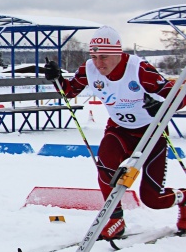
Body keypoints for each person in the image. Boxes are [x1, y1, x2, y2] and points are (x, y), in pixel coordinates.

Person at [44, 25, 186, 239]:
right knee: (105, 165)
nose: (98, 64)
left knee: (152, 199)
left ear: (118, 53)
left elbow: (177, 95)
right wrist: (56, 77)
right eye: (94, 56)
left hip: (151, 134)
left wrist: (162, 108)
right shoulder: (89, 68)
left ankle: (183, 198)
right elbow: (70, 90)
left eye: (104, 57)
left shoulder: (140, 69)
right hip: (119, 129)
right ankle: (114, 218)